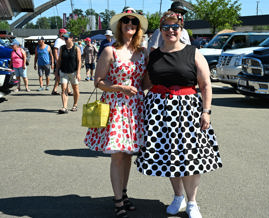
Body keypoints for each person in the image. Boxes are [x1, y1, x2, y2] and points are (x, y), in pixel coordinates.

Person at [135, 11, 222, 218]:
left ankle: (192, 202)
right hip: (159, 112)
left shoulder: (193, 52)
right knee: (169, 157)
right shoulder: (153, 54)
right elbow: (146, 83)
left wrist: (206, 112)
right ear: (161, 30)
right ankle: (177, 197)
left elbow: (206, 85)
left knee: (190, 157)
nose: (170, 31)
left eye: (175, 27)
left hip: (188, 111)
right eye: (166, 27)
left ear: (181, 29)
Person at [84, 7, 148, 218]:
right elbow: (99, 82)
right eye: (126, 21)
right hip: (117, 106)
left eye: (134, 22)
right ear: (120, 25)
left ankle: (124, 192)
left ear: (138, 27)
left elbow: (145, 81)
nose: (130, 24)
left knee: (128, 155)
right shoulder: (110, 51)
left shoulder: (142, 52)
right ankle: (117, 199)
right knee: (118, 156)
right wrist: (120, 88)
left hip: (136, 107)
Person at [54, 32, 81, 114]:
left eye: (66, 38)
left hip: (73, 72)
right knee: (64, 89)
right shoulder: (62, 48)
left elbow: (79, 61)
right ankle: (64, 107)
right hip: (63, 71)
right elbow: (59, 60)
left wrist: (78, 73)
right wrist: (56, 70)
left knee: (75, 88)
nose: (65, 40)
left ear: (71, 38)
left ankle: (75, 105)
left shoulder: (76, 48)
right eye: (64, 38)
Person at [51, 28, 72, 96]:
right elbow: (55, 50)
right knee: (64, 76)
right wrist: (57, 61)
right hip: (60, 61)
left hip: (64, 61)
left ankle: (55, 90)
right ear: (61, 34)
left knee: (61, 77)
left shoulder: (63, 41)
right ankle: (68, 90)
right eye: (65, 33)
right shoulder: (58, 40)